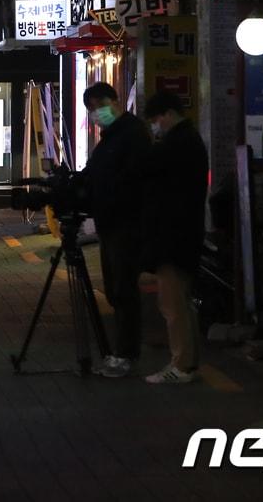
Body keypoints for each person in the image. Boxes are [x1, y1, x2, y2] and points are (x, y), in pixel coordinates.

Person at [80, 82, 154, 378]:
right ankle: (121, 352)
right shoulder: (109, 138)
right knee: (114, 289)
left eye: (100, 105)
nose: (97, 113)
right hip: (110, 224)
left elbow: (133, 179)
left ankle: (126, 353)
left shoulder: (133, 134)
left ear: (115, 101)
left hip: (127, 223)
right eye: (92, 109)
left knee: (123, 289)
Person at [141, 91, 209, 384]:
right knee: (181, 301)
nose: (155, 126)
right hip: (185, 232)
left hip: (174, 235)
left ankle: (181, 364)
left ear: (167, 114)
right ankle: (187, 362)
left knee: (172, 304)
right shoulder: (189, 140)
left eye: (155, 120)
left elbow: (149, 171)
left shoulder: (177, 144)